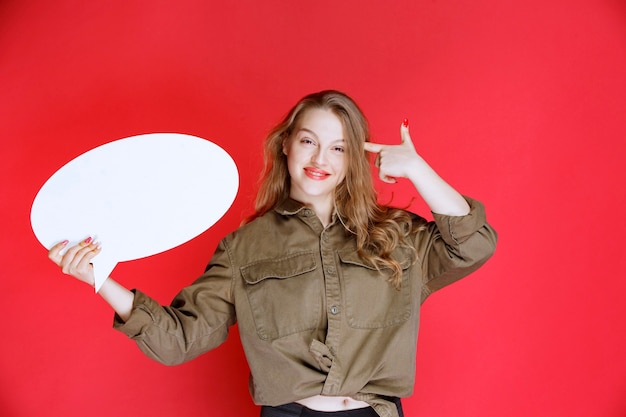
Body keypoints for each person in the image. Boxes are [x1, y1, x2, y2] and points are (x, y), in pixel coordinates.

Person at [48, 90, 497, 417]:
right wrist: (100, 279)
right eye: (308, 141)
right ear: (286, 144)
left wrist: (418, 169)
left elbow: (474, 244)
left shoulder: (396, 234)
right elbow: (179, 339)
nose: (320, 156)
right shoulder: (244, 247)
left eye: (338, 147)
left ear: (352, 159)